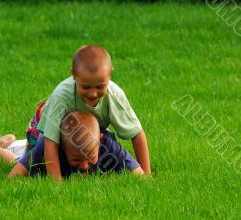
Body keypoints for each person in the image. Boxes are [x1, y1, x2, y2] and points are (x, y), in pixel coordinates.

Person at [36, 45, 151, 180]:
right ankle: (7, 149)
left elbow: (136, 133)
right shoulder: (61, 97)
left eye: (100, 87)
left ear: (110, 74)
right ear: (73, 74)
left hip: (89, 138)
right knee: (30, 159)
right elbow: (50, 143)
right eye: (85, 87)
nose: (92, 93)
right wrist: (56, 183)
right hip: (51, 133)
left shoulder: (114, 96)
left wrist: (146, 175)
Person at [9, 111, 144, 179]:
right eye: (77, 160)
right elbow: (13, 176)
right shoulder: (48, 148)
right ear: (62, 147)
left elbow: (139, 175)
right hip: (36, 136)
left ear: (99, 141)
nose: (85, 166)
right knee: (15, 158)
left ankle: (8, 140)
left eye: (90, 157)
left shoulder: (108, 146)